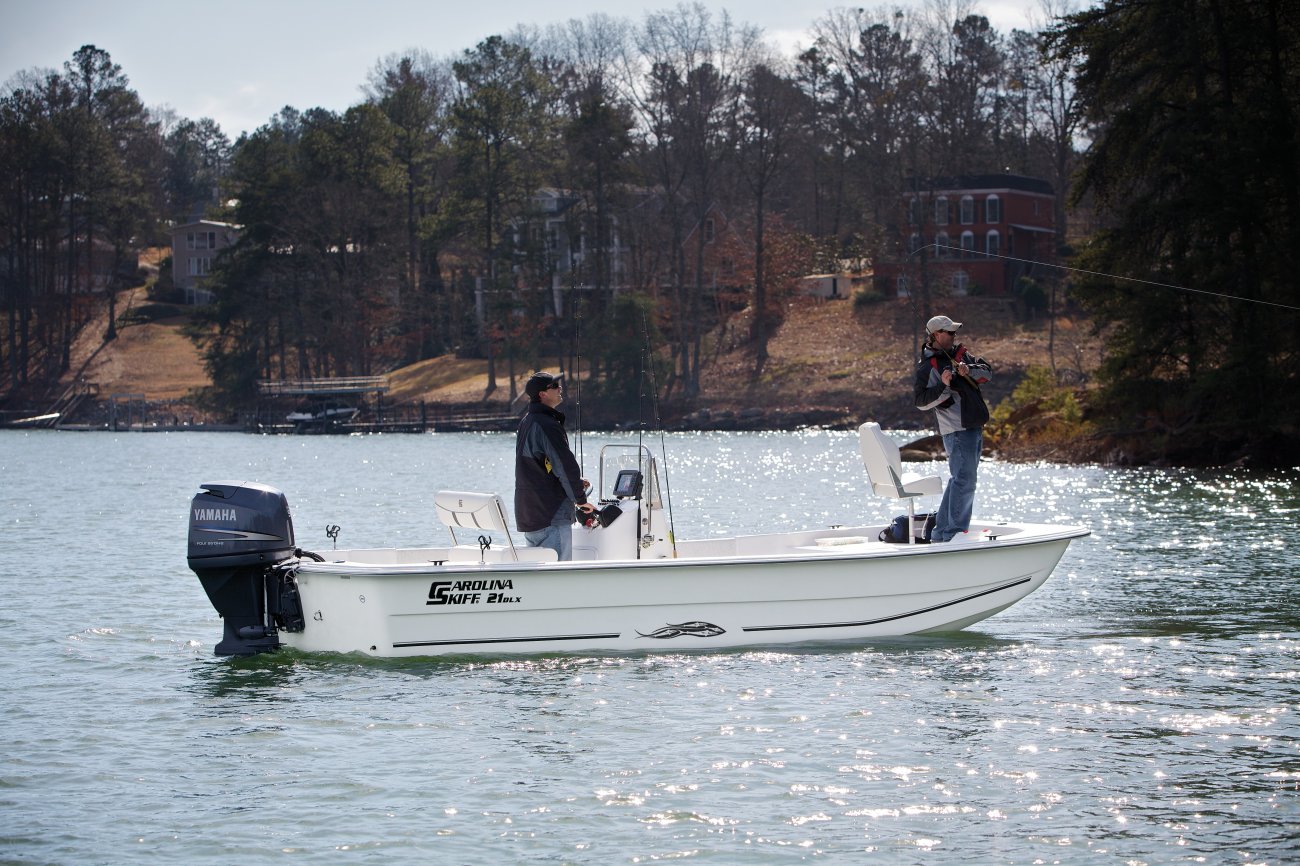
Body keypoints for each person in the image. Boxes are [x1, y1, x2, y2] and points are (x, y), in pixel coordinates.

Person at [914, 315, 993, 542]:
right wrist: (944, 385)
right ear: (937, 335)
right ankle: (952, 534)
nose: (953, 336)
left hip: (973, 427)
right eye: (949, 332)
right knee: (964, 480)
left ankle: (942, 533)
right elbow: (921, 402)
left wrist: (969, 370)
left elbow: (987, 372)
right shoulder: (927, 367)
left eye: (954, 332)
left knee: (961, 479)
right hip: (956, 430)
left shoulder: (962, 355)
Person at [514, 371, 595, 561]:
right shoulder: (546, 424)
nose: (560, 389)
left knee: (542, 578)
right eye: (554, 387)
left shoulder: (527, 422)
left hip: (530, 513)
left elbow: (539, 466)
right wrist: (580, 499)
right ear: (542, 394)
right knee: (559, 574)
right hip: (550, 514)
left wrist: (575, 483)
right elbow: (564, 465)